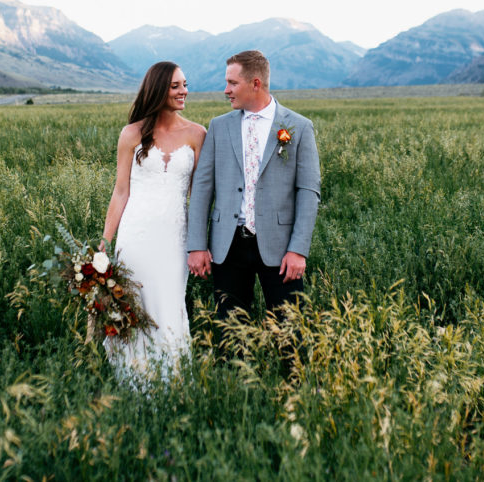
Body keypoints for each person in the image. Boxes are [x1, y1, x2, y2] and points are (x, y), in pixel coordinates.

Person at [186, 50, 321, 324]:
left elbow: (308, 192)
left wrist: (298, 250)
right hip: (228, 244)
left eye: (232, 83)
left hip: (281, 246)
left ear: (255, 83)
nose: (226, 90)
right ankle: (233, 370)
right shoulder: (219, 127)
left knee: (290, 330)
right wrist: (196, 245)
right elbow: (202, 188)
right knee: (230, 330)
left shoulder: (298, 127)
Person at [101, 61, 206, 381]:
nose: (183, 91)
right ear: (158, 89)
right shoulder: (131, 133)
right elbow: (120, 192)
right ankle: (133, 379)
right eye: (175, 86)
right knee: (135, 304)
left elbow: (198, 196)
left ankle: (172, 380)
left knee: (169, 302)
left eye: (185, 84)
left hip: (175, 237)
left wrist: (199, 244)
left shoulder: (197, 134)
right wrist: (104, 244)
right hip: (136, 236)